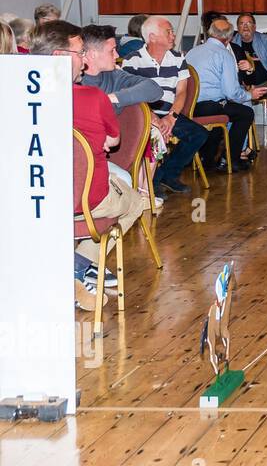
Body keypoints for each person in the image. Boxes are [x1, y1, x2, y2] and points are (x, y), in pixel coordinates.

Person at [30, 21, 147, 308]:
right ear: (59, 57)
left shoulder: (20, 100)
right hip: (84, 201)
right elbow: (112, 142)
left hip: (34, 203)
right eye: (80, 52)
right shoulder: (94, 97)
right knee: (136, 201)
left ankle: (74, 269)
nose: (84, 60)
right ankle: (82, 267)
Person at [122, 16, 210, 197]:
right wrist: (154, 119)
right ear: (152, 36)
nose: (173, 36)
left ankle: (165, 175)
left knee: (199, 134)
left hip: (170, 113)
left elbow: (181, 93)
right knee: (153, 137)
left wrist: (171, 117)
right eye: (168, 32)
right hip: (145, 115)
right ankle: (149, 183)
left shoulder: (178, 58)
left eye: (172, 32)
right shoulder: (133, 60)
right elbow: (133, 96)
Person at [187, 17, 267, 170]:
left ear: (210, 33)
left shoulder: (192, 51)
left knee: (224, 112)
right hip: (210, 106)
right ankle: (230, 159)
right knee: (245, 113)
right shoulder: (224, 54)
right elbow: (231, 93)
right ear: (229, 38)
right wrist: (250, 95)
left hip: (190, 106)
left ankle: (208, 158)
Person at [232, 13, 267, 145]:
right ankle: (238, 134)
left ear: (254, 26)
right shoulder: (232, 42)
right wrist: (243, 86)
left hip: (265, 84)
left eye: (248, 23)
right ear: (238, 27)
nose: (245, 26)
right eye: (241, 23)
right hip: (242, 86)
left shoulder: (264, 39)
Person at [79, 24, 163, 113]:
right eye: (112, 51)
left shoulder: (114, 76)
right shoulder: (72, 79)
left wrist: (110, 98)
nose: (117, 55)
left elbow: (154, 89)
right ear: (93, 54)